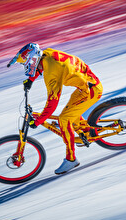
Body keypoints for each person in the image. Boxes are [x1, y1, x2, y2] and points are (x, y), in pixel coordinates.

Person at [7, 43, 103, 174]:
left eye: (25, 63)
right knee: (70, 112)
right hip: (87, 85)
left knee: (64, 120)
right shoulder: (47, 54)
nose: (25, 66)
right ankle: (85, 133)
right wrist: (31, 79)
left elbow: (52, 103)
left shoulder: (51, 74)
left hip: (90, 91)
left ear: (32, 60)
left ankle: (71, 159)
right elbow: (40, 67)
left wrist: (38, 121)